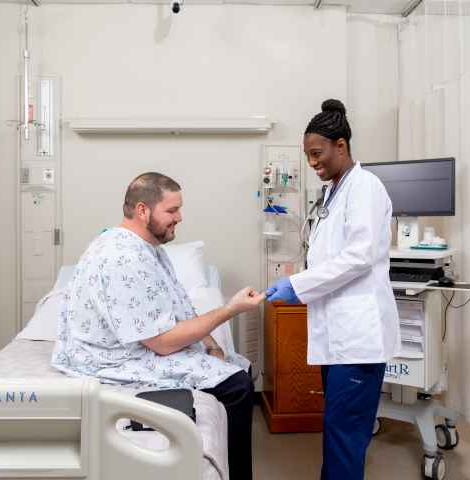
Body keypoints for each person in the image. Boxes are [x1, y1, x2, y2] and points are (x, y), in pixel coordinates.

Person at [51, 172, 264, 480]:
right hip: (112, 358)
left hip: (145, 342)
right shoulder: (122, 257)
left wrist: (213, 347)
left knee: (238, 367)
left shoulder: (150, 249)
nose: (180, 217)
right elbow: (161, 343)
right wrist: (230, 309)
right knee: (237, 387)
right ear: (142, 210)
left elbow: (181, 309)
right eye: (172, 210)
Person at [266, 99, 400, 480]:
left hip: (358, 338)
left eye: (317, 154)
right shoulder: (333, 192)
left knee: (344, 435)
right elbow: (329, 257)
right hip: (338, 335)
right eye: (308, 156)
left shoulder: (366, 188)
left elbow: (359, 257)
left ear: (341, 145)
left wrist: (297, 284)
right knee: (338, 430)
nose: (312, 163)